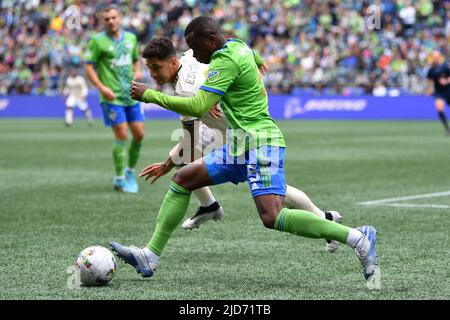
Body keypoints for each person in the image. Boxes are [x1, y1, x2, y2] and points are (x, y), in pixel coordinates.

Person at [111, 17, 380, 289]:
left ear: (212, 42)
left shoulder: (223, 62)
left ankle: (358, 238)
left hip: (261, 142)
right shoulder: (236, 46)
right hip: (239, 144)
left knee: (272, 216)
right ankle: (150, 256)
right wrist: (258, 61)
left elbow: (197, 106)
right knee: (184, 179)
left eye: (197, 48)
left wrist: (150, 95)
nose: (195, 54)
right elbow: (250, 52)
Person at [140, 36, 342, 253]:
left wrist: (166, 165)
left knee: (270, 190)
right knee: (187, 163)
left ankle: (326, 219)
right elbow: (230, 43)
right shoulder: (188, 56)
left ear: (171, 62)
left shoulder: (184, 90)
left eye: (155, 67)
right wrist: (255, 58)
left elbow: (190, 137)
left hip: (239, 133)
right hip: (229, 128)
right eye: (149, 68)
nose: (152, 74)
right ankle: (209, 205)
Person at [84, 4, 144, 193]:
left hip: (131, 94)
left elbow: (135, 60)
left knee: (139, 135)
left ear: (120, 18)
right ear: (102, 21)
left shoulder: (131, 38)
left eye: (113, 17)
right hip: (111, 96)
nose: (110, 21)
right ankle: (119, 178)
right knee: (122, 133)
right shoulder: (97, 41)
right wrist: (101, 87)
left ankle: (129, 171)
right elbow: (88, 66)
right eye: (106, 19)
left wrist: (138, 71)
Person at [426, 50, 450, 135]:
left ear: (440, 57)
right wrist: (428, 89)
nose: (435, 58)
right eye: (434, 57)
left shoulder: (445, 67)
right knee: (439, 108)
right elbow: (429, 81)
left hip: (448, 90)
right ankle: (447, 128)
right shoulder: (431, 70)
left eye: (437, 56)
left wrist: (446, 81)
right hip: (439, 92)